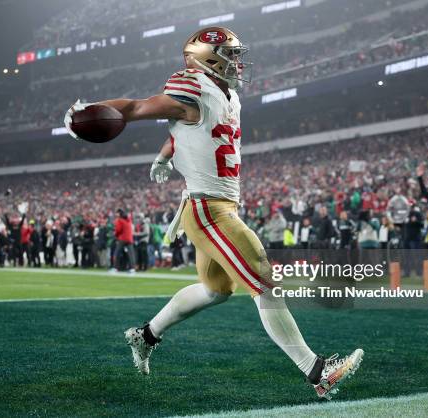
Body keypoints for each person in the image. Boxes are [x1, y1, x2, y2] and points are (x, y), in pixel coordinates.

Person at [65, 26, 362, 399]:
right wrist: (85, 114)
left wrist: (164, 154)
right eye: (231, 55)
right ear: (207, 58)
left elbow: (192, 130)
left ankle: (145, 335)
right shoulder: (192, 86)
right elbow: (136, 107)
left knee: (216, 289)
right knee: (264, 280)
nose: (237, 63)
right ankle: (317, 371)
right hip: (209, 209)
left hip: (213, 204)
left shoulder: (226, 95)